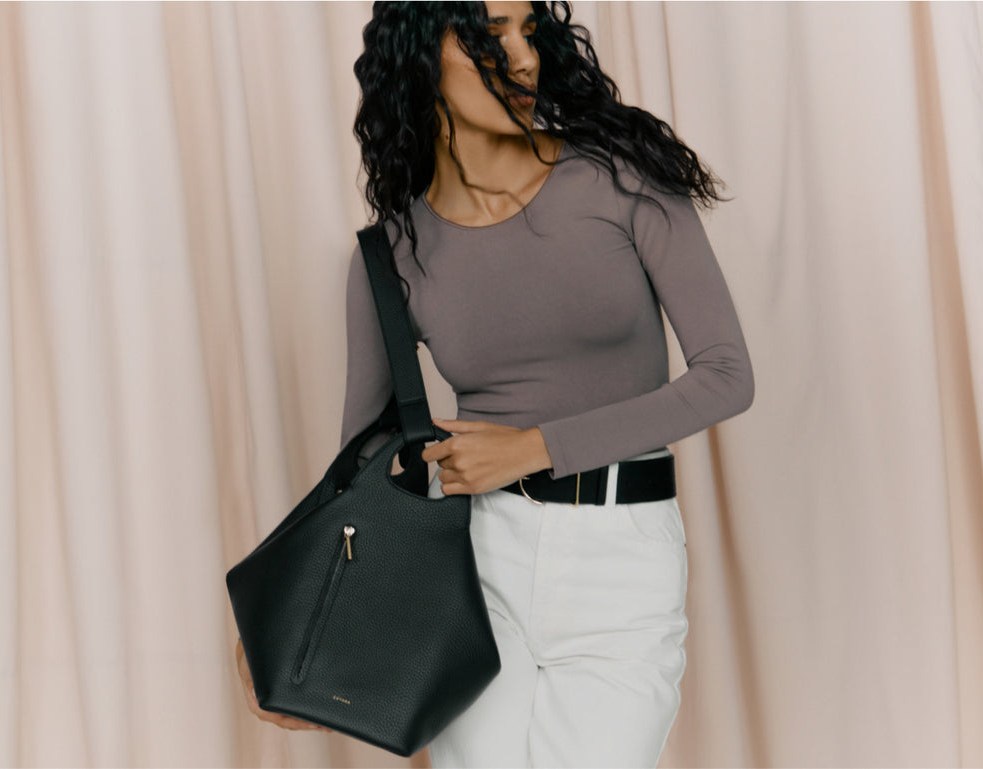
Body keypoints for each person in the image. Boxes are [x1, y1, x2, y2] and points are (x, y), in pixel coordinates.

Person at [237, 1, 755, 766]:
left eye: (527, 29)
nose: (522, 57)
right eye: (487, 34)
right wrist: (286, 621)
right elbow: (362, 465)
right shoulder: (394, 256)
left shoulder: (622, 180)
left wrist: (536, 447)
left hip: (623, 557)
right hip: (472, 565)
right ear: (421, 53)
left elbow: (726, 376)